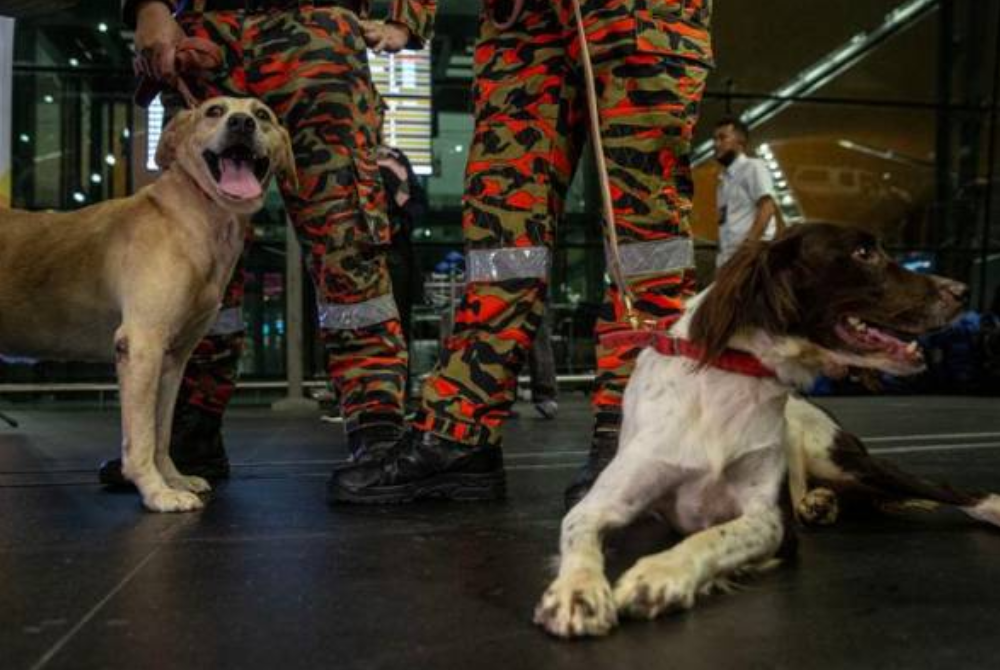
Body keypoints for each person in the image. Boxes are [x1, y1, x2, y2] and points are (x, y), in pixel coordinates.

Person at [327, 0, 713, 506]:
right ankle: (460, 433)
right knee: (500, 243)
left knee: (646, 238)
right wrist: (408, 15)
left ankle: (636, 429)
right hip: (520, 28)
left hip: (638, 15)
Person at [99, 0, 437, 487]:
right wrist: (149, 7)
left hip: (316, 39)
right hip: (204, 43)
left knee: (349, 243)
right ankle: (186, 432)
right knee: (191, 257)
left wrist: (409, 18)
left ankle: (376, 427)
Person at [712, 116, 783, 267]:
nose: (716, 144)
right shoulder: (723, 182)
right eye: (715, 139)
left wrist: (749, 247)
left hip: (751, 259)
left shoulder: (753, 167)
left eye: (722, 138)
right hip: (729, 261)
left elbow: (767, 207)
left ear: (741, 141)